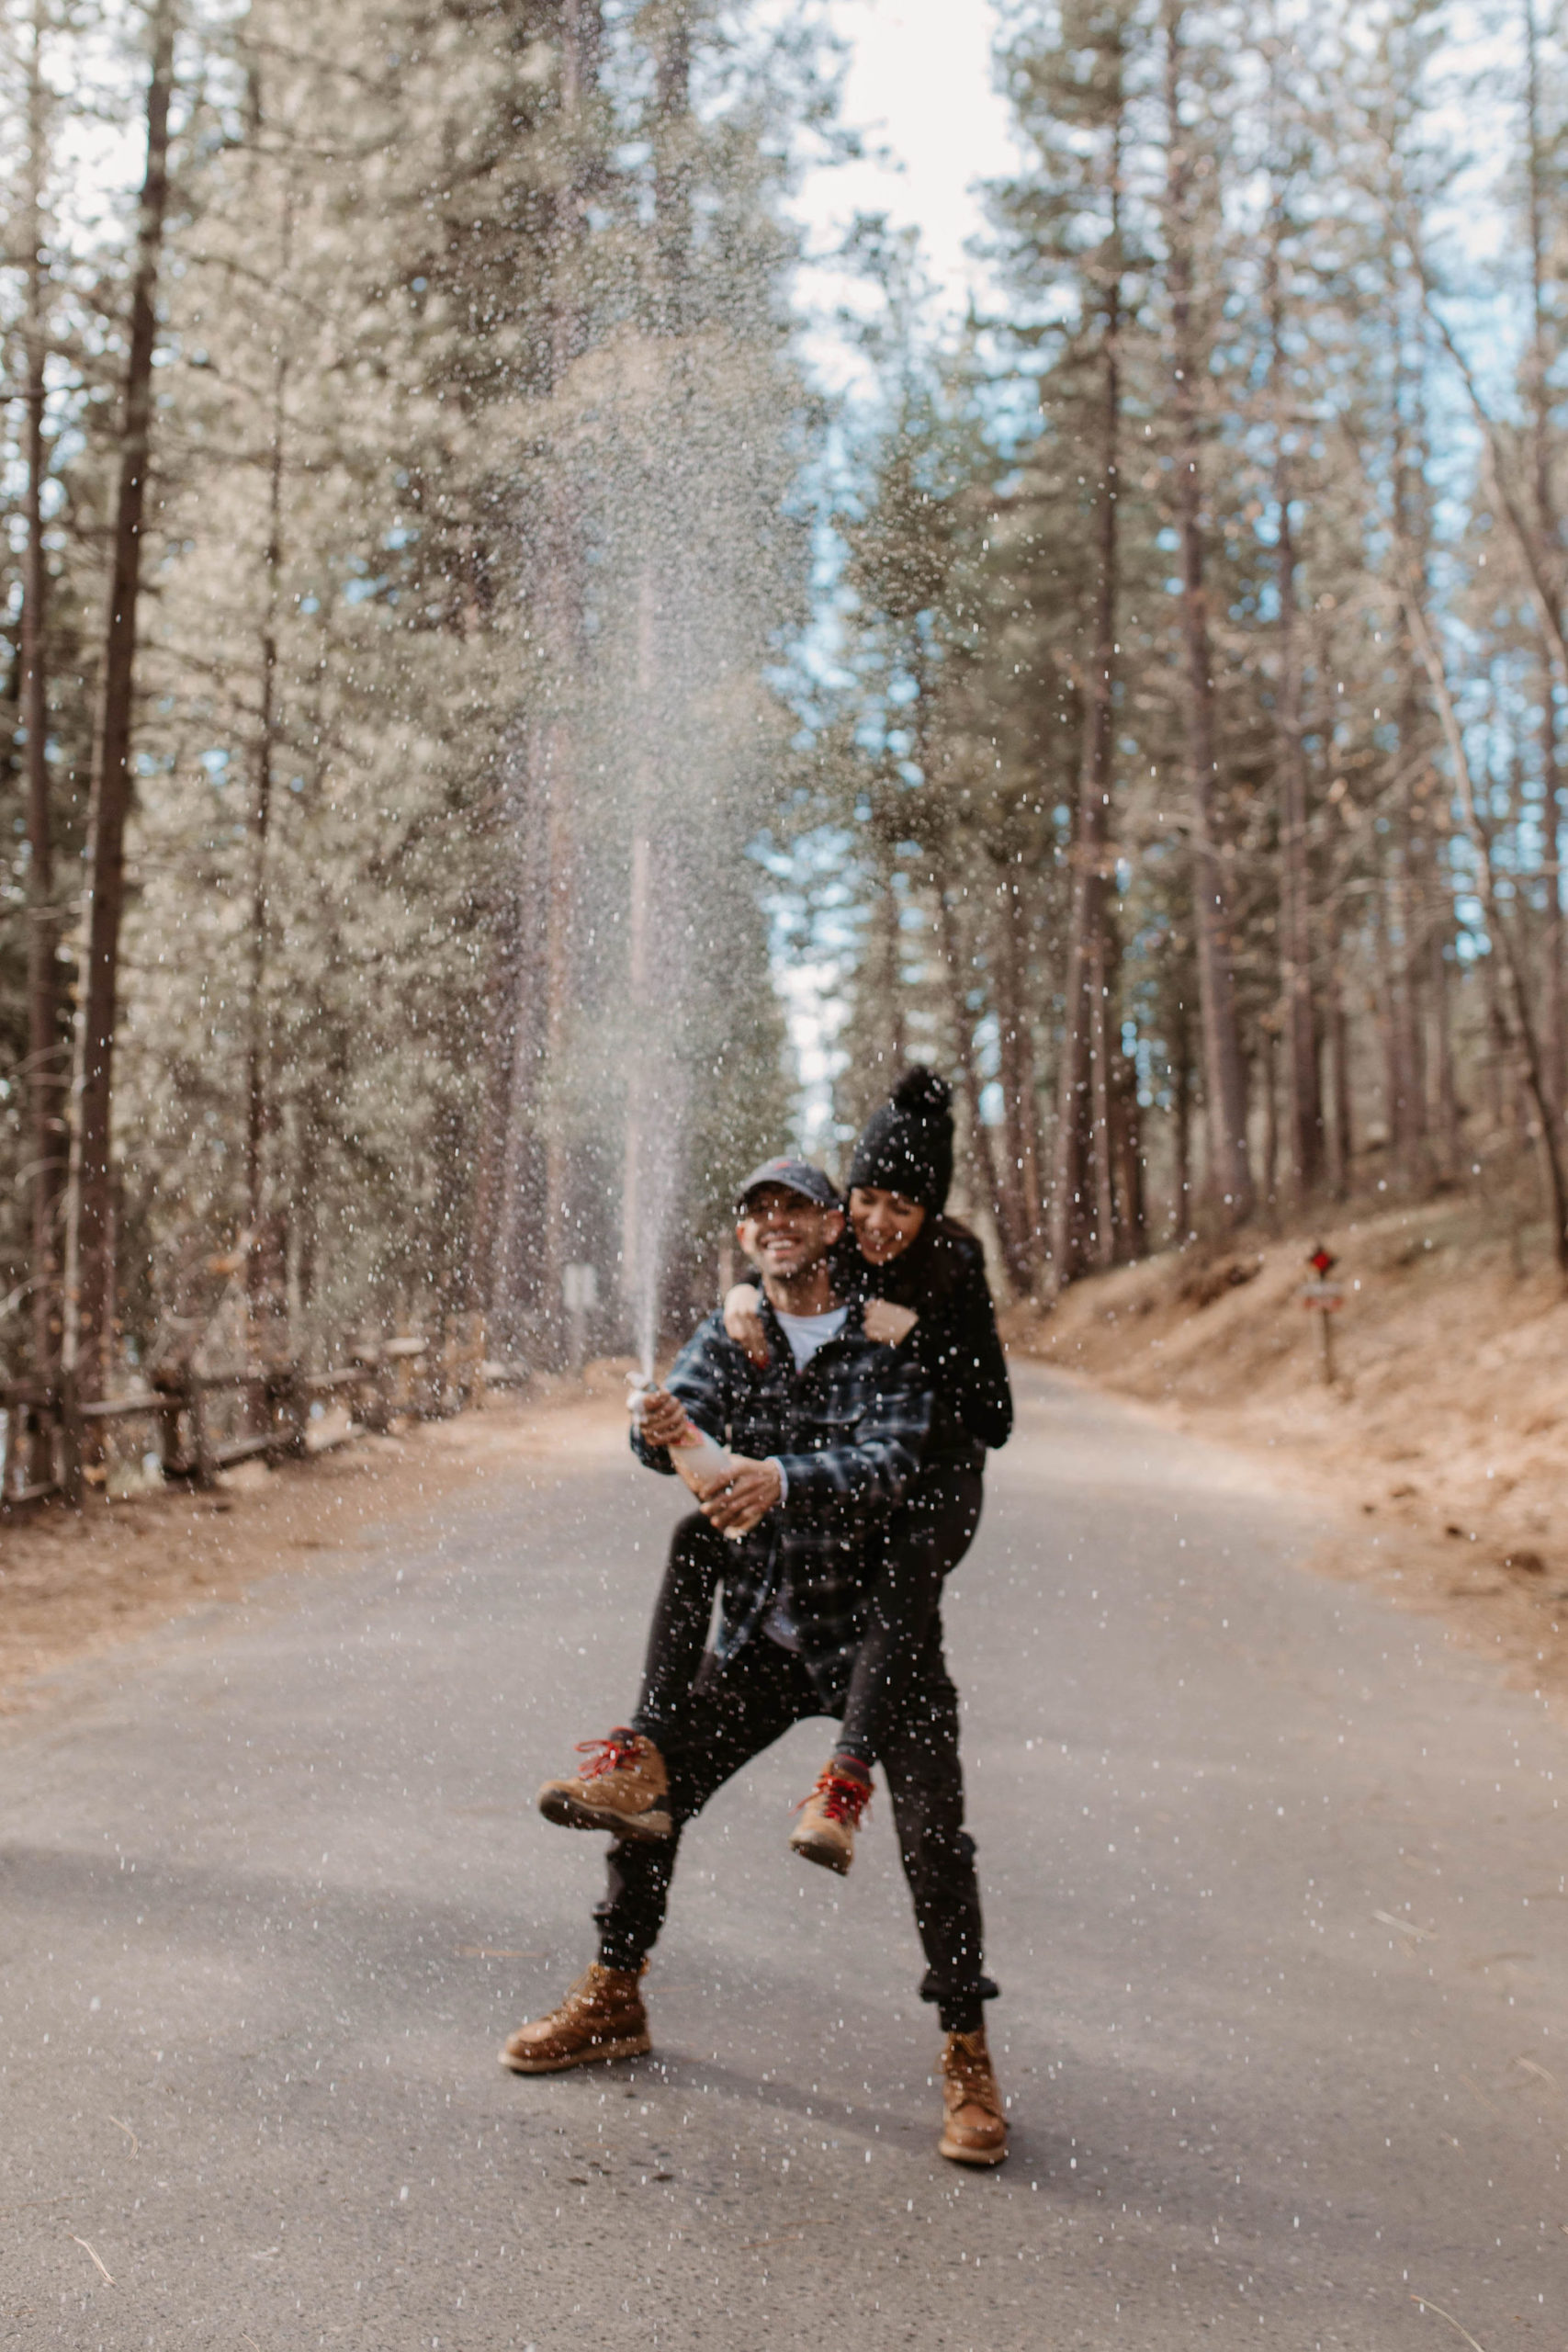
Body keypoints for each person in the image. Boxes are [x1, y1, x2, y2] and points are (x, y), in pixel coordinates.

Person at [503, 1158, 1008, 2166]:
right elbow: (672, 1436)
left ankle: (968, 2053)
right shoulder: (729, 1334)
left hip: (881, 1645)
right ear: (744, 1241)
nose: (775, 1224)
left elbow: (892, 1461)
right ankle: (615, 1992)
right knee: (645, 1798)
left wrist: (779, 1476)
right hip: (768, 1641)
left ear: (831, 1228)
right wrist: (662, 1431)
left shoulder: (884, 1329)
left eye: (796, 1209)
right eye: (756, 1214)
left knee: (935, 1848)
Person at [629, 1068, 1012, 1854]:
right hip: (865, 1468)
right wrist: (742, 1292)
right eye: (866, 1198)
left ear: (928, 1211)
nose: (879, 1221)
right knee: (700, 1540)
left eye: (901, 1209)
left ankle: (847, 1774)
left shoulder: (953, 1264)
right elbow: (789, 1257)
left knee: (904, 1572)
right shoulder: (845, 1240)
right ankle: (644, 1754)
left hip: (941, 1475)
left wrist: (919, 1337)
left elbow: (994, 1416)